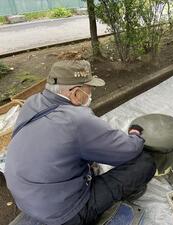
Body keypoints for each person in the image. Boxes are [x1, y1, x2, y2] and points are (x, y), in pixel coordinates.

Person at [4, 60, 156, 225]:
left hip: (26, 199)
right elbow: (128, 150)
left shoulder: (32, 102)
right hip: (65, 214)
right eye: (89, 89)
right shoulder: (77, 120)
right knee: (144, 163)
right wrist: (135, 134)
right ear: (76, 93)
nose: (91, 94)